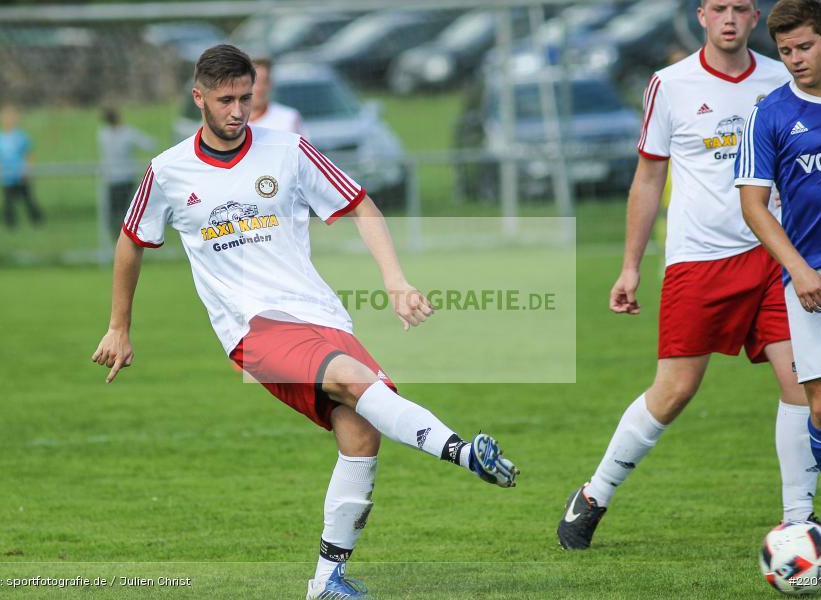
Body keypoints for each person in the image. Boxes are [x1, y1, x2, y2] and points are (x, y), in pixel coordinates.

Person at [91, 45, 518, 599]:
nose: (240, 110)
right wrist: (119, 326)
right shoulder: (168, 170)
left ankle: (326, 582)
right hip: (251, 327)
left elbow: (361, 205)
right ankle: (460, 450)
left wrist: (395, 281)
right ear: (199, 98)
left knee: (361, 431)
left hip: (317, 312)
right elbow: (131, 241)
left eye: (246, 97)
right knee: (356, 385)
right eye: (226, 100)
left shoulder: (289, 149)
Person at [558, 0, 817, 551]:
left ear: (754, 18)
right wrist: (629, 267)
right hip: (699, 261)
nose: (729, 17)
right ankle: (595, 494)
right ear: (701, 15)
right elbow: (648, 178)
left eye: (741, 8)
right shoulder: (669, 84)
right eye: (719, 7)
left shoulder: (779, 78)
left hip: (774, 258)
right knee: (674, 391)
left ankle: (799, 523)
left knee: (802, 384)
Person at [736, 0, 821, 555]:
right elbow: (755, 205)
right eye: (785, 51)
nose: (795, 60)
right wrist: (798, 268)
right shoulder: (772, 113)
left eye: (804, 47)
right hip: (818, 280)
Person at [97, 107, 155, 235]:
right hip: (126, 177)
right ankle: (126, 231)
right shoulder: (127, 133)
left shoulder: (103, 135)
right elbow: (149, 144)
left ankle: (115, 232)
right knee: (126, 209)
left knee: (114, 209)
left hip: (112, 178)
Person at [0, 105, 43, 228]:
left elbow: (28, 155)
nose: (8, 120)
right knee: (7, 202)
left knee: (28, 199)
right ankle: (10, 225)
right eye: (5, 118)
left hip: (19, 174)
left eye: (10, 118)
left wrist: (28, 170)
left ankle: (37, 220)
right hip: (6, 176)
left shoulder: (21, 137)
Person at [248, 57, 303, 134]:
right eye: (254, 82)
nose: (259, 88)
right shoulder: (231, 122)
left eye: (265, 81)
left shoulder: (289, 118)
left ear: (271, 84)